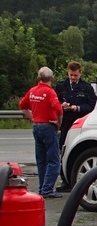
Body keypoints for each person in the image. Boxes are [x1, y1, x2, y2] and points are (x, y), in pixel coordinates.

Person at [19, 67, 64, 198]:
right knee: (54, 160)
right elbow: (59, 109)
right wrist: (58, 122)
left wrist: (32, 118)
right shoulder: (50, 92)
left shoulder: (32, 91)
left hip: (37, 126)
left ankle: (42, 187)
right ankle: (47, 189)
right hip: (48, 126)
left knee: (41, 160)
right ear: (52, 78)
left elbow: (22, 105)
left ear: (39, 78)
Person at [55, 61, 97, 190]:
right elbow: (54, 102)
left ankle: (79, 178)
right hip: (66, 122)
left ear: (80, 73)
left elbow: (92, 105)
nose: (73, 78)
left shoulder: (86, 88)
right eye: (71, 75)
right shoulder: (61, 86)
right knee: (63, 150)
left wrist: (77, 108)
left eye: (75, 75)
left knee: (79, 150)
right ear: (68, 72)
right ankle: (65, 180)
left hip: (80, 122)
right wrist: (61, 106)